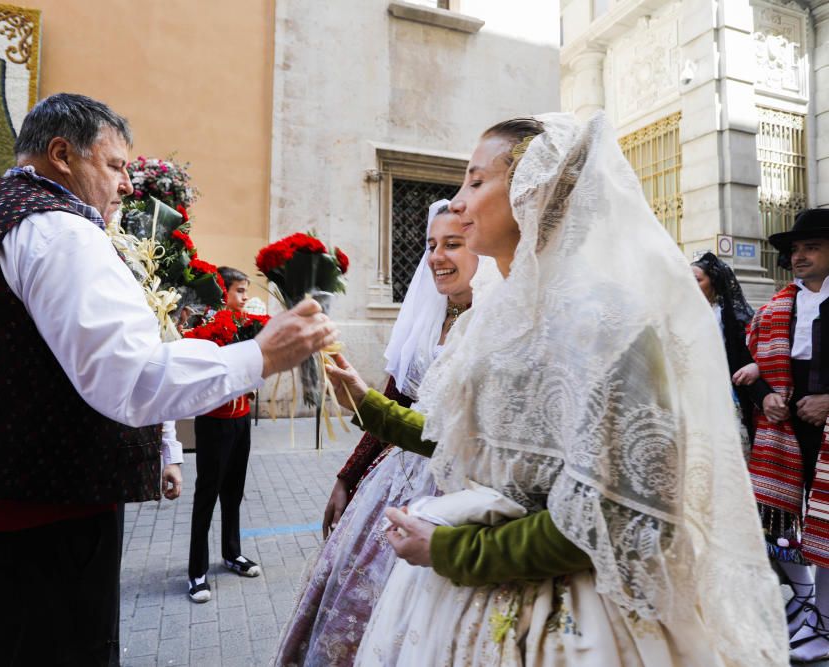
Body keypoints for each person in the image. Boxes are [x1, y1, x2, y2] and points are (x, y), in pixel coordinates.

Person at [0, 93, 336, 667]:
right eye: (117, 165)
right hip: (24, 525)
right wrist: (258, 357)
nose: (127, 185)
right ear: (61, 154)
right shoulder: (60, 231)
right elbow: (131, 379)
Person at [327, 113, 786, 665]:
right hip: (465, 601)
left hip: (572, 617)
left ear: (534, 190)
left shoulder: (608, 323)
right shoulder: (497, 311)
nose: (458, 203)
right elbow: (472, 441)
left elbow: (623, 517)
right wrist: (365, 404)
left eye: (476, 181)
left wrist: (452, 548)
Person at [273, 200, 498, 664]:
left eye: (453, 244)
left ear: (483, 250)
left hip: (456, 486)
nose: (437, 256)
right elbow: (394, 403)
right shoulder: (426, 319)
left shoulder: (498, 324)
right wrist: (349, 474)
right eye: (432, 245)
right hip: (394, 480)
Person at [748, 210, 829, 662]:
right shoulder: (778, 306)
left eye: (811, 247)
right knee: (791, 523)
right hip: (786, 427)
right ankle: (808, 610)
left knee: (826, 523)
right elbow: (749, 360)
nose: (799, 256)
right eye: (795, 250)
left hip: (825, 421)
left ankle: (824, 622)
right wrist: (765, 397)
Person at [187, 266, 262, 603]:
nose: (245, 298)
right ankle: (196, 571)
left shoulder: (247, 325)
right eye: (240, 291)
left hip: (241, 417)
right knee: (208, 493)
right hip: (215, 420)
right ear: (224, 293)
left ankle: (232, 553)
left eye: (246, 292)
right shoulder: (206, 328)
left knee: (234, 491)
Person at [690, 251, 767, 448]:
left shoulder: (728, 317)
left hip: (721, 390)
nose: (689, 285)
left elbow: (747, 353)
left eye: (697, 280)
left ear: (713, 283)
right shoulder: (679, 313)